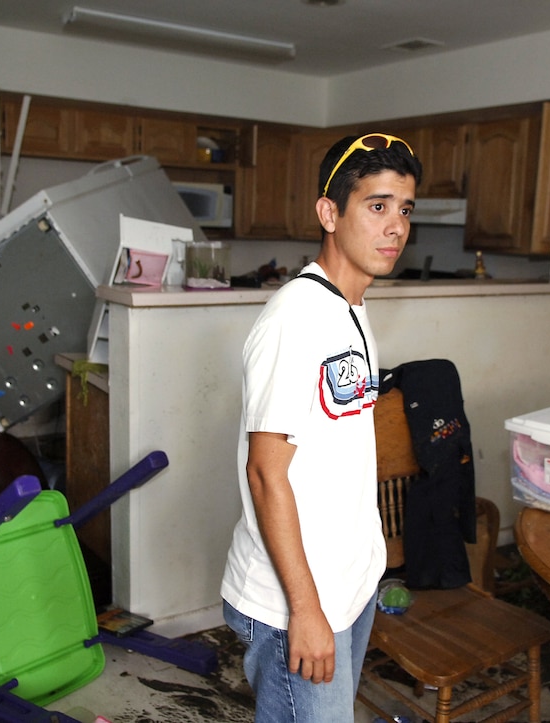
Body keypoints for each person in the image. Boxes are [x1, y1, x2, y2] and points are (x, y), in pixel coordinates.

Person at [221, 133, 422, 722]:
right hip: (294, 601)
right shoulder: (297, 319)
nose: (395, 227)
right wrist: (305, 612)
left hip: (345, 587)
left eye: (405, 209)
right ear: (329, 213)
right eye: (377, 206)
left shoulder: (352, 308)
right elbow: (265, 474)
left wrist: (368, 561)